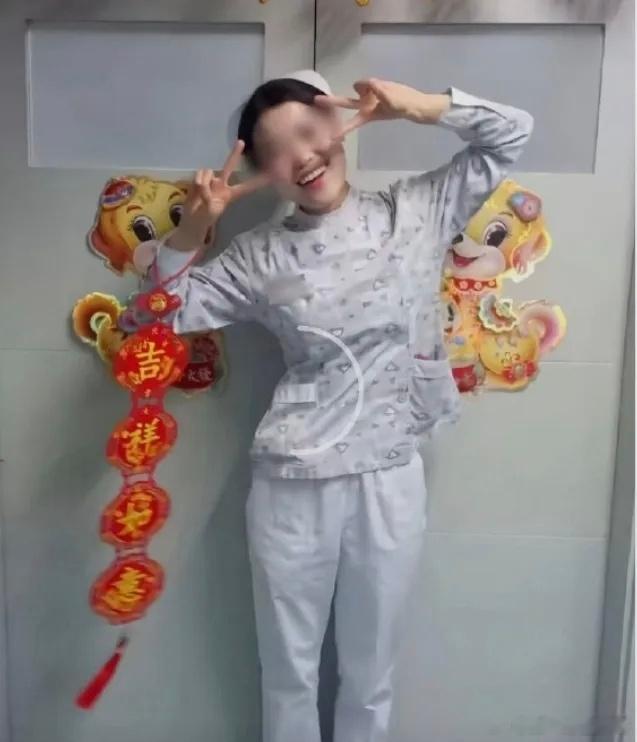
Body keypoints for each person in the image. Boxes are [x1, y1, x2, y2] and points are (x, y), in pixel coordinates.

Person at [140, 70, 533, 742]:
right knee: (287, 674)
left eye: (308, 130)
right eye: (275, 151)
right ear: (264, 173)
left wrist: (420, 106)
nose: (301, 156)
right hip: (293, 485)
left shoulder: (416, 209)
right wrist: (197, 226)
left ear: (338, 123)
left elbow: (512, 134)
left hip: (390, 475)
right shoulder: (259, 255)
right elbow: (158, 312)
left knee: (371, 675)